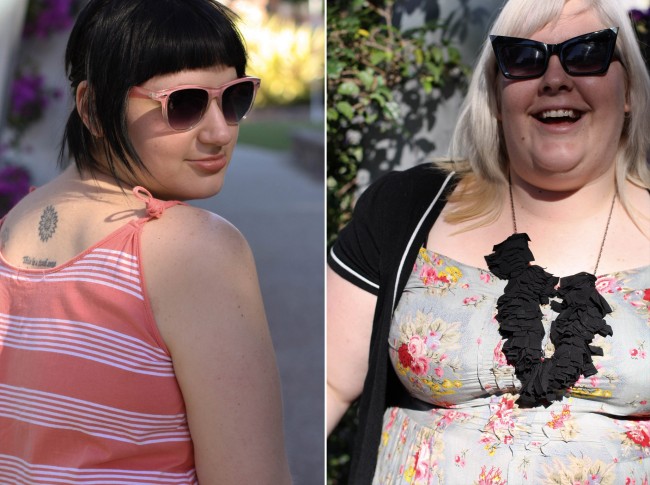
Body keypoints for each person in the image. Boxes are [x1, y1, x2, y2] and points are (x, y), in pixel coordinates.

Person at [327, 0, 650, 482]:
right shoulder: (407, 207)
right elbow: (328, 384)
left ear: (628, 89)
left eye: (587, 53)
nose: (555, 79)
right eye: (523, 58)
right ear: (496, 95)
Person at [0, 0, 292, 483]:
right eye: (185, 103)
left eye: (235, 97)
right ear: (92, 107)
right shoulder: (195, 250)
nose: (220, 132)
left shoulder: (13, 225)